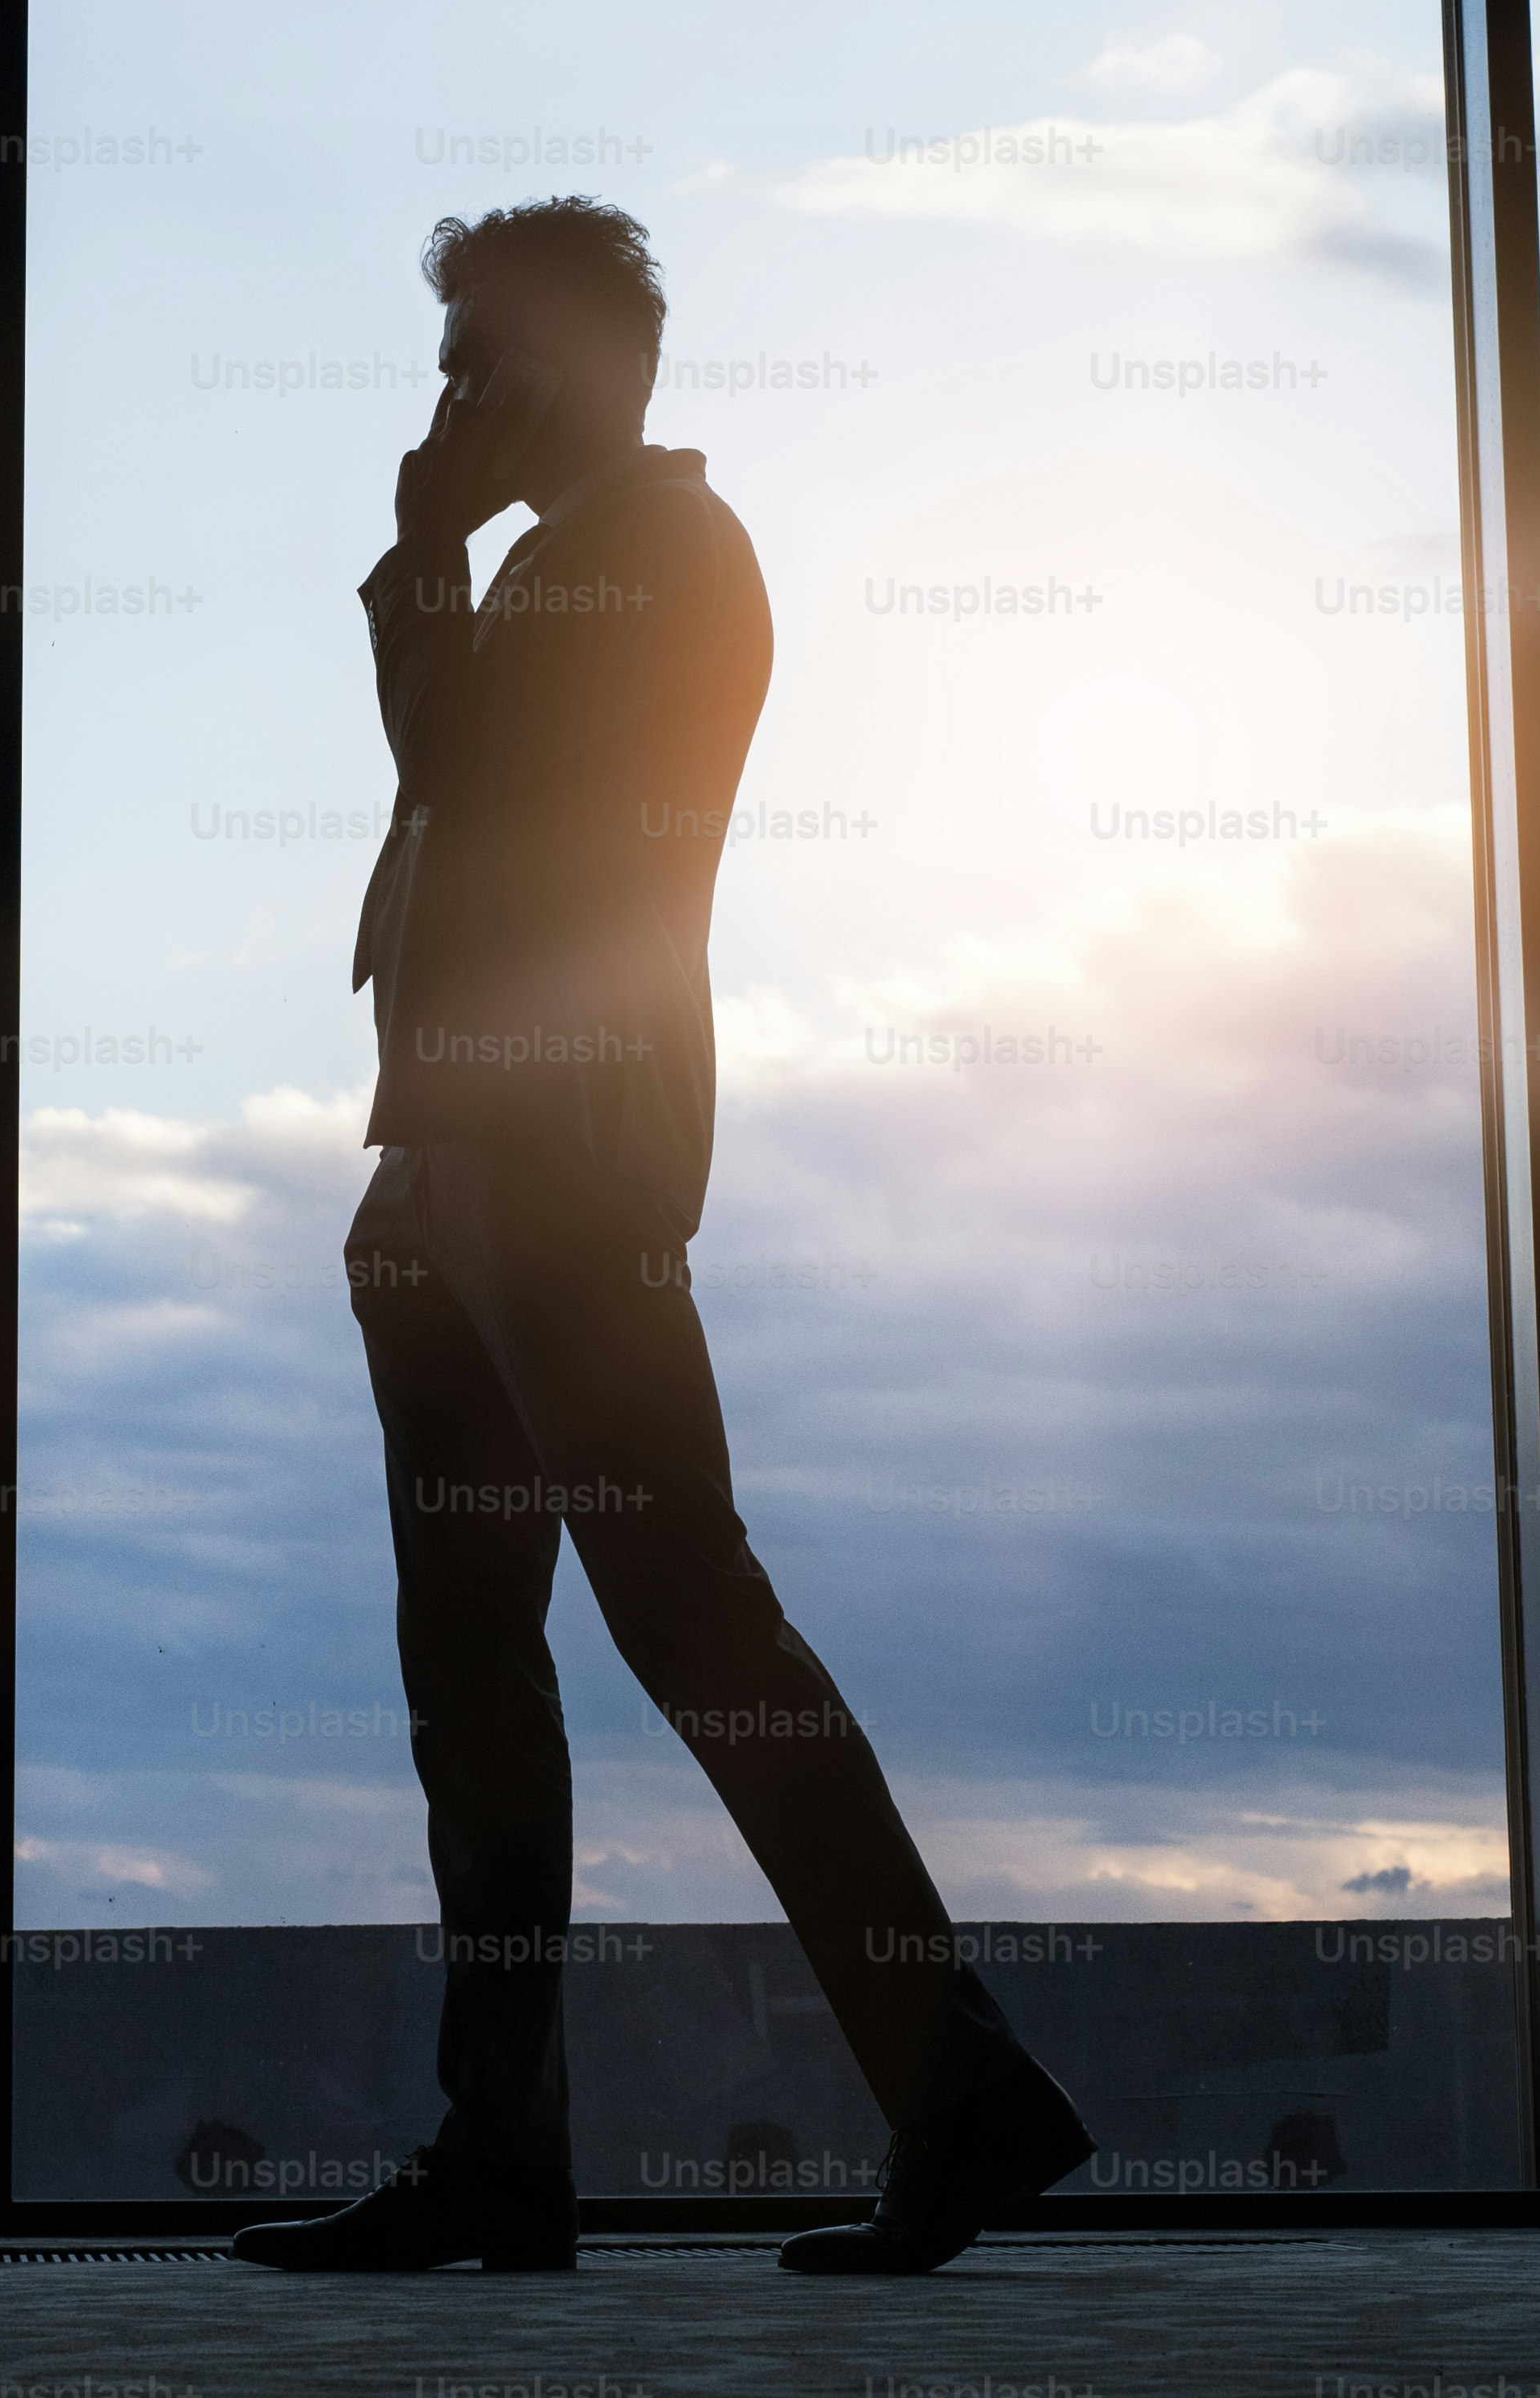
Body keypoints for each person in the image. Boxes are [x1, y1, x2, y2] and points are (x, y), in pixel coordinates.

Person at [230, 197, 1091, 2279]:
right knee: (473, 1672)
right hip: (447, 1173)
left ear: (599, 362)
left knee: (695, 1627)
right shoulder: (552, 563)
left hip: (566, 1170)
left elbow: (476, 784)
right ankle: (501, 2159)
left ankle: (960, 2093)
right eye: (442, 370)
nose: (450, 403)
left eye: (482, 363)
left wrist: (421, 553)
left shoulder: (658, 555)